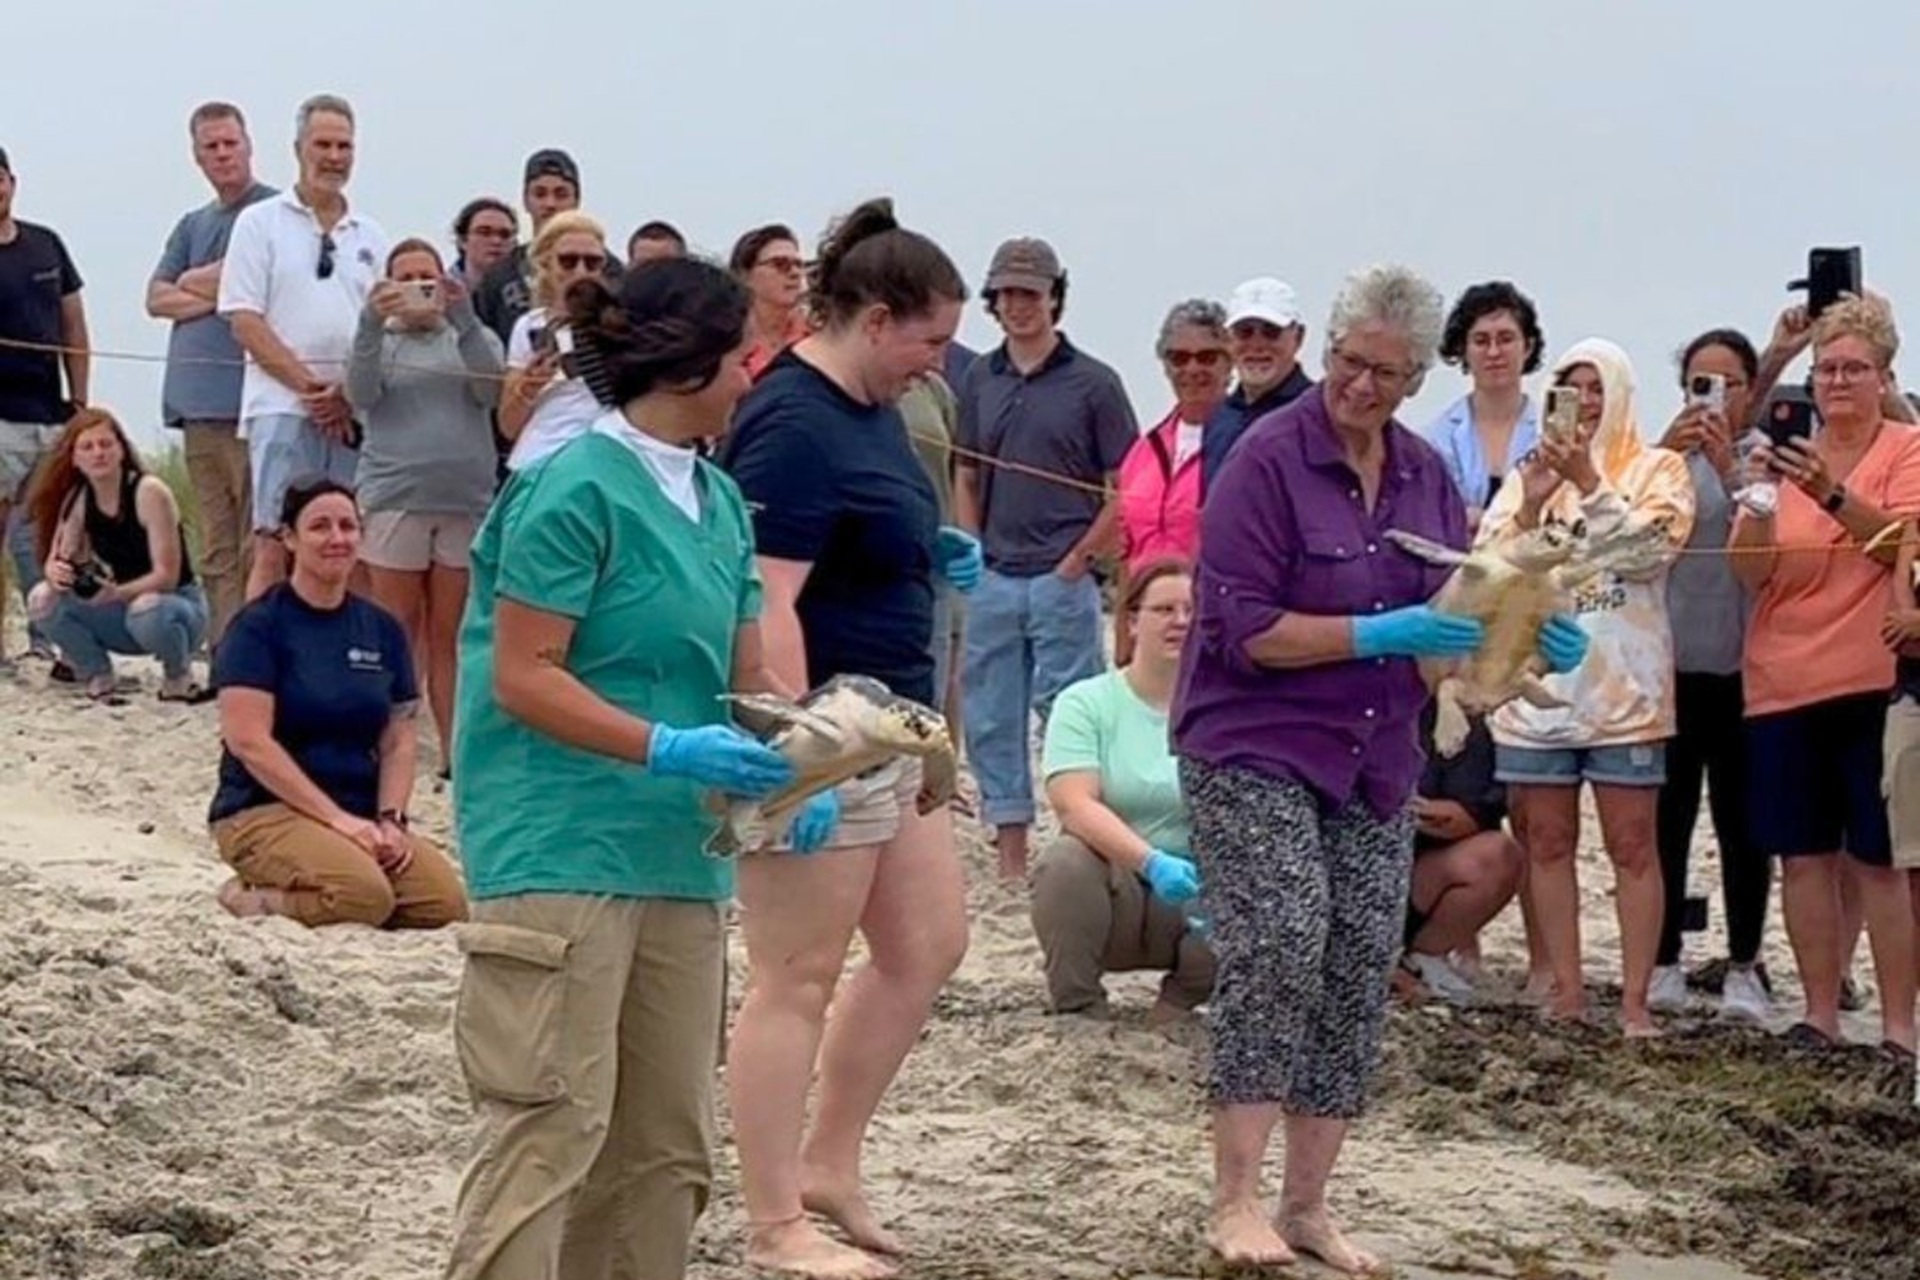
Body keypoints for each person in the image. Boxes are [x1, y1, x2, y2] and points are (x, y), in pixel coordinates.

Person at [1172, 262, 1588, 1271]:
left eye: (1388, 374)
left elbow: (1445, 641)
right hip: (1253, 741)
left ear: (1413, 379)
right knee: (1279, 940)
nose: (1362, 387)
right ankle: (1236, 1198)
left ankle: (1308, 1201)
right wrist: (1377, 628)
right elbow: (1244, 632)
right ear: (1330, 350)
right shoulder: (1266, 461)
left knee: (1360, 958)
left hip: (1377, 752)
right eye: (1351, 364)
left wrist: (1523, 643)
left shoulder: (1422, 475)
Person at [443, 257, 807, 1280]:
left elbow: (748, 684)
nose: (755, 372)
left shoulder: (722, 502)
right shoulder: (569, 488)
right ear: (691, 364)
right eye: (744, 353)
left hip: (680, 857)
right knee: (549, 1126)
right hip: (559, 845)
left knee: (664, 1145)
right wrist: (662, 743)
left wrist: (811, 769)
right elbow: (523, 674)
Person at [719, 197, 976, 1280]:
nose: (934, 363)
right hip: (823, 723)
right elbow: (763, 595)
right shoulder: (791, 417)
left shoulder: (875, 405)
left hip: (895, 720)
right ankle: (774, 1216)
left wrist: (937, 547)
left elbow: (876, 541)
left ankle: (830, 1162)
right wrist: (796, 751)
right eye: (927, 339)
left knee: (929, 942)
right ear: (875, 318)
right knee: (796, 972)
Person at [1480, 339, 1693, 1037]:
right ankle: (1566, 992)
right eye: (1571, 389)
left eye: (1597, 387)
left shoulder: (1659, 468)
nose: (1586, 403)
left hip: (1626, 697)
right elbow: (1489, 569)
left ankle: (1634, 1001)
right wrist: (1531, 508)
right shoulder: (1528, 473)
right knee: (1546, 842)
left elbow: (1647, 554)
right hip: (1539, 695)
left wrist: (1594, 484)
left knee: (1634, 846)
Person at [1731, 293, 1920, 1055]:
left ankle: (1900, 1026)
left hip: (1874, 678)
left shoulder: (1906, 449)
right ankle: (1820, 1013)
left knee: (1880, 862)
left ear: (1884, 377)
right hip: (1782, 678)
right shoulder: (1787, 455)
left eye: (1854, 369)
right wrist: (1766, 500)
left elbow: (1901, 547)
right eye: (1826, 369)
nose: (1838, 382)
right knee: (1802, 857)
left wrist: (1831, 492)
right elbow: (1750, 574)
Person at [955, 236, 1139, 880]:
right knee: (989, 713)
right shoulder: (979, 376)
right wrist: (974, 553)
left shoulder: (1096, 383)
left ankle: (1079, 841)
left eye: (1030, 292)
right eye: (1006, 293)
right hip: (996, 577)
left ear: (1055, 297)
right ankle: (1009, 852)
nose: (1018, 305)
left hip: (1064, 578)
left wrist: (1080, 558)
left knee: (1068, 714)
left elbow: (1124, 487)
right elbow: (967, 473)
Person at [209, 477, 467, 931]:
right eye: (320, 527)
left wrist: (390, 821)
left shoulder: (380, 629)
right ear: (290, 538)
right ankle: (249, 899)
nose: (337, 538)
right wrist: (336, 820)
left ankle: (342, 870)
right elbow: (248, 741)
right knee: (361, 897)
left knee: (441, 905)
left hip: (358, 810)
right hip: (262, 809)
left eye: (348, 526)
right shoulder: (259, 627)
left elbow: (398, 736)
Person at [1652, 321, 1807, 1022]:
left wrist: (1723, 468)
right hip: (1672, 667)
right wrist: (1665, 456)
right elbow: (1633, 534)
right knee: (1666, 819)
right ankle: (1661, 958)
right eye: (1698, 384)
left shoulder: (1766, 460)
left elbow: (1765, 535)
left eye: (1726, 384)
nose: (1711, 398)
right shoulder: (1660, 460)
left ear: (1752, 389)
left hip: (1746, 669)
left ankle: (1746, 961)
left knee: (1744, 824)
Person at [218, 93, 387, 603]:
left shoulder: (373, 235)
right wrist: (312, 391)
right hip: (281, 410)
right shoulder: (259, 222)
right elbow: (244, 319)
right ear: (298, 148)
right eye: (324, 144)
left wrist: (346, 398)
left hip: (353, 417)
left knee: (351, 547)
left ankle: (348, 671)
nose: (334, 156)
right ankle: (253, 668)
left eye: (345, 146)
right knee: (273, 544)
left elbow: (385, 328)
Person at [1031, 559, 1213, 1022]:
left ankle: (1178, 1004)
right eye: (1164, 609)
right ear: (1132, 621)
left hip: (1200, 890)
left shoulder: (1226, 712)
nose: (1180, 621)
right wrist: (1149, 862)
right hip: (1115, 887)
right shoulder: (1086, 702)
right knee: (1064, 862)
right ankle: (1078, 1005)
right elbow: (1074, 803)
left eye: (1192, 609)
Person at [344, 238, 504, 764]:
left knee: (452, 634)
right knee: (396, 628)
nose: (417, 287)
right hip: (396, 498)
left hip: (464, 500)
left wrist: (464, 316)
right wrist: (370, 322)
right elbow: (360, 394)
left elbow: (491, 391)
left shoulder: (468, 338)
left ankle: (457, 750)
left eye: (426, 277)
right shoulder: (379, 340)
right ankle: (387, 738)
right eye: (405, 277)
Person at [145, 102, 277, 651]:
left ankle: (255, 654)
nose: (222, 154)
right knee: (218, 546)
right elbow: (155, 297)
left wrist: (201, 284)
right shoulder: (193, 224)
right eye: (211, 146)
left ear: (248, 144)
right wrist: (216, 289)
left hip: (250, 406)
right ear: (197, 155)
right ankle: (225, 653)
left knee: (259, 542)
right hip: (196, 410)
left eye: (230, 143)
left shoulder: (271, 212)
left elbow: (250, 280)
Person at [23, 409, 208, 703]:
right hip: (122, 610)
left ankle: (178, 675)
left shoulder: (149, 492)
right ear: (74, 458)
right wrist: (57, 573)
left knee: (146, 607)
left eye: (106, 444)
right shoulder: (79, 498)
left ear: (122, 449)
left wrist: (115, 593)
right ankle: (96, 671)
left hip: (172, 608)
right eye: (88, 447)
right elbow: (57, 557)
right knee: (41, 598)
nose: (98, 454)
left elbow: (167, 576)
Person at [0, 142, 90, 668]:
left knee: (46, 530)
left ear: (13, 181)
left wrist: (79, 400)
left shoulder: (46, 245)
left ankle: (47, 634)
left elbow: (74, 324)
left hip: (49, 412)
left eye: (1, 177)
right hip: (1, 418)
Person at [1399, 707, 1523, 1004]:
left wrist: (1398, 808)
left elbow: (1466, 817)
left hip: (1415, 872)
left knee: (1497, 854)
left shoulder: (1453, 717)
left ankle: (1423, 956)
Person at [1117, 300, 1229, 576]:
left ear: (1230, 362)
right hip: (1150, 607)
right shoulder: (1143, 451)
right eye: (1179, 358)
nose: (1192, 369)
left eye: (1207, 357)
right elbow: (1125, 548)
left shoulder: (1244, 444)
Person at [497, 211, 613, 472]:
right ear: (547, 265)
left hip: (603, 460)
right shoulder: (529, 326)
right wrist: (528, 386)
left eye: (592, 262)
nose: (581, 271)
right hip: (540, 460)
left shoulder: (623, 323)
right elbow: (508, 426)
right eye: (568, 261)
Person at [1426, 280, 1545, 525]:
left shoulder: (1552, 433)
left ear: (1528, 346)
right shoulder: (1436, 440)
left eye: (1505, 339)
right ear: (1463, 349)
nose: (1494, 352)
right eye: (1481, 341)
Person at [1200, 276, 1314, 493]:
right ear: (1228, 340)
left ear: (1298, 337)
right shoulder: (1218, 418)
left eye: (1271, 332)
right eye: (1245, 332)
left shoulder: (1320, 416)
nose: (1257, 345)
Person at [473, 148, 584, 344]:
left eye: (561, 194)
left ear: (576, 200)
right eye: (540, 194)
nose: (550, 204)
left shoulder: (605, 267)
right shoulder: (500, 274)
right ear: (525, 200)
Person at [732, 223, 812, 379]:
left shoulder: (819, 334)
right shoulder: (727, 341)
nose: (795, 273)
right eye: (780, 264)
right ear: (745, 275)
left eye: (798, 265)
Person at [448, 197, 517, 293]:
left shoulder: (531, 290)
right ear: (462, 240)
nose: (496, 241)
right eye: (484, 233)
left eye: (505, 235)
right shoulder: (443, 294)